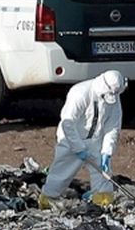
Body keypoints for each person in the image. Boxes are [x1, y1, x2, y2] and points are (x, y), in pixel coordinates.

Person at [40, 70, 127, 208]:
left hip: (95, 140)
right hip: (72, 139)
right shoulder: (81, 93)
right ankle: (48, 198)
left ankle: (103, 200)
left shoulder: (113, 98)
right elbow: (67, 123)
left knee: (104, 174)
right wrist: (78, 148)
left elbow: (113, 126)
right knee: (62, 172)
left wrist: (107, 151)